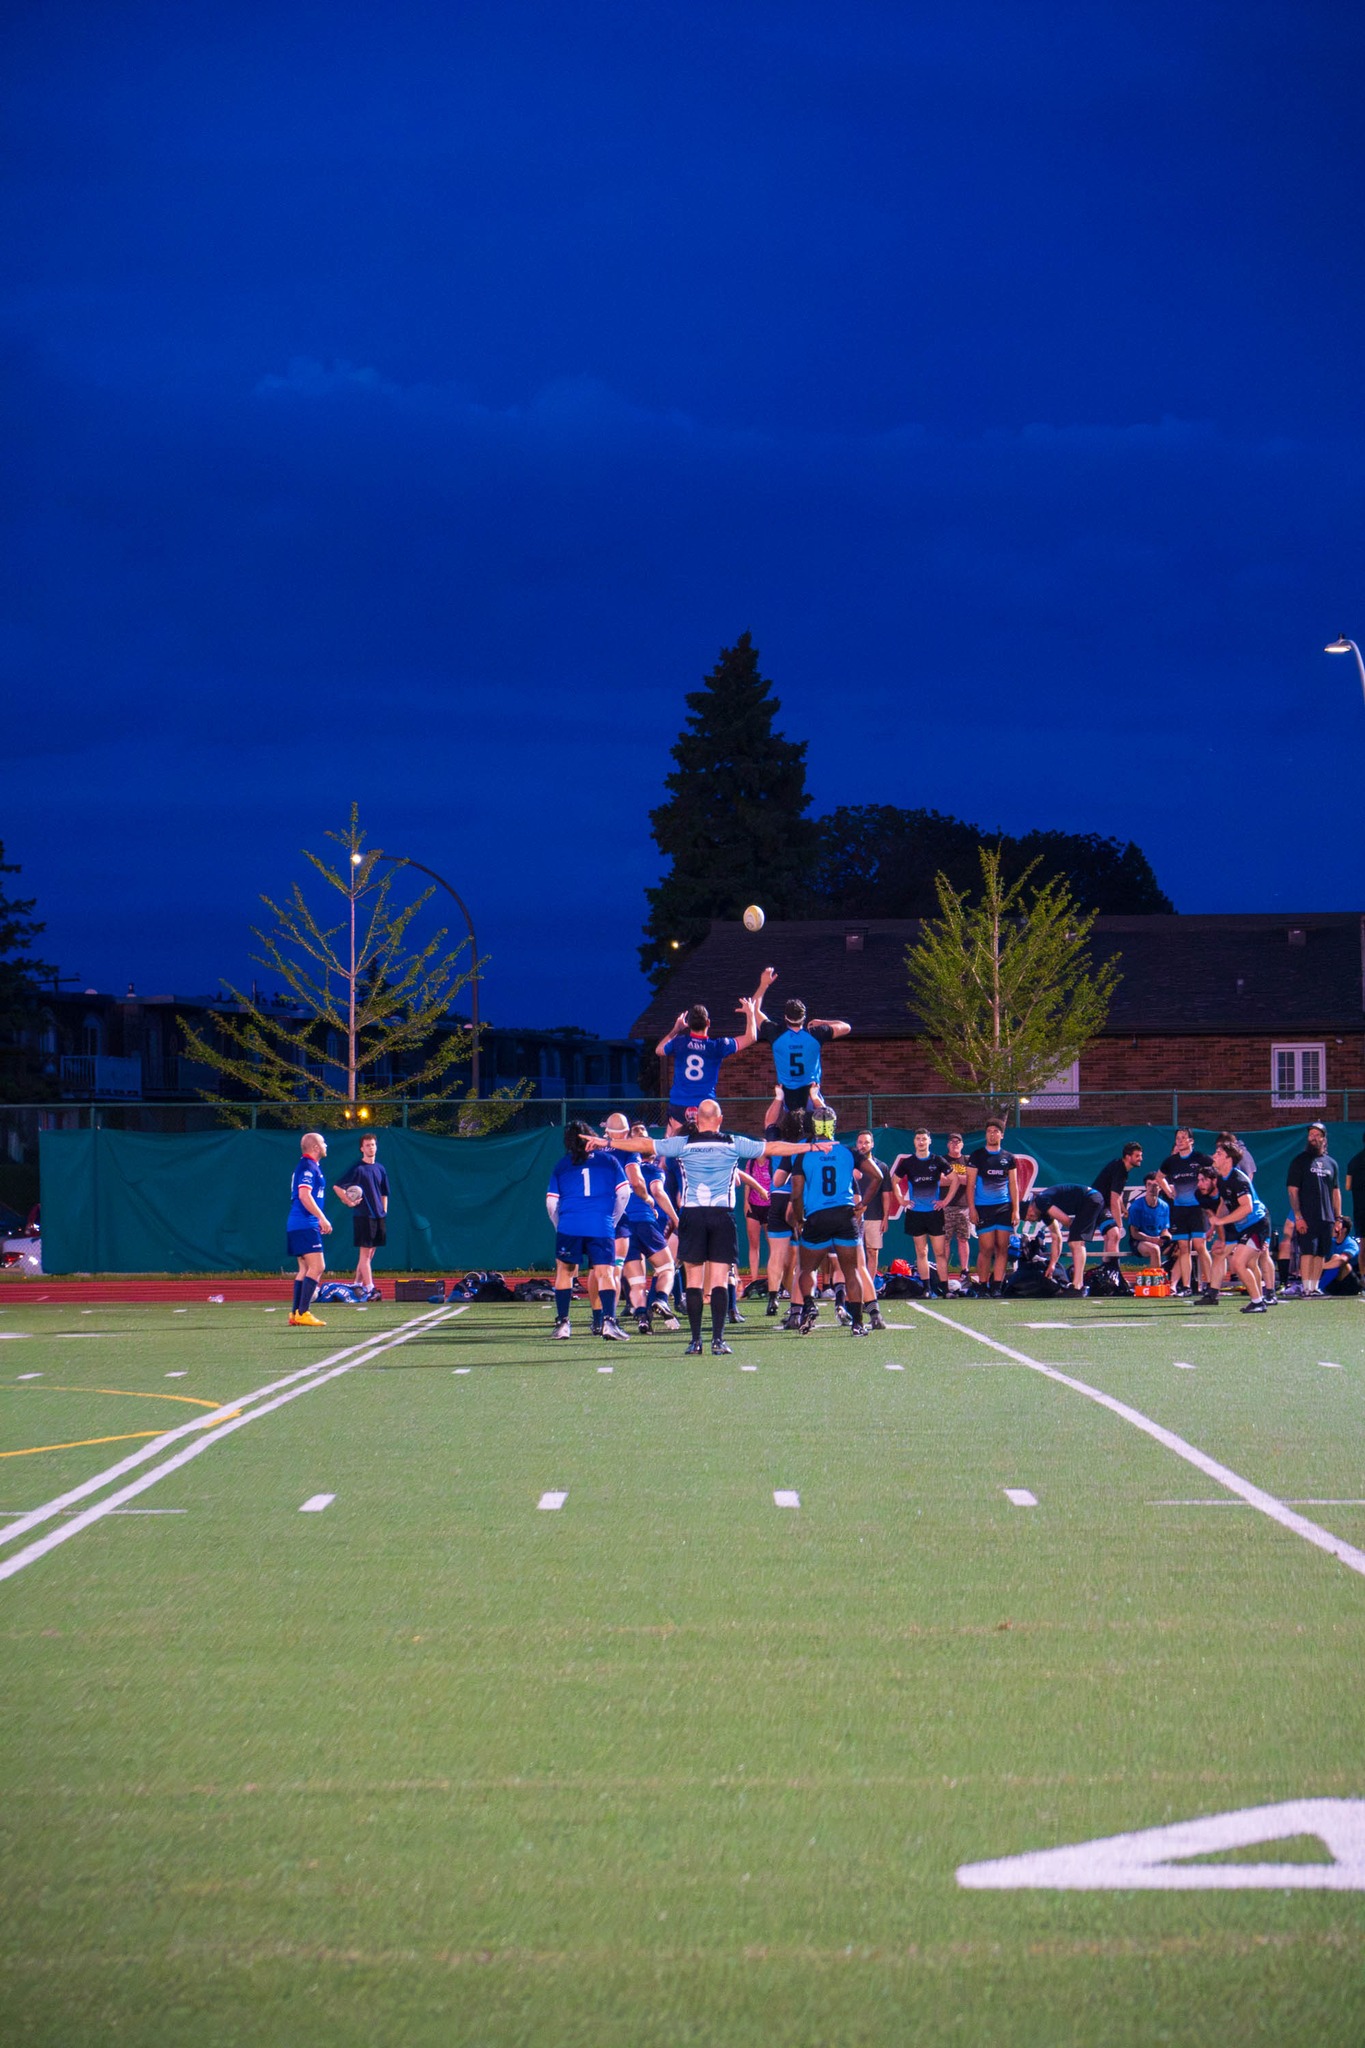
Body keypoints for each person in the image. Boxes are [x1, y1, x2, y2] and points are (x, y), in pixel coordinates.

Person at [591, 1100, 824, 1354]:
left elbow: (645, 1144)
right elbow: (774, 1147)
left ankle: (695, 1341)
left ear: (698, 1121)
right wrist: (812, 1145)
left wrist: (608, 1143)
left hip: (693, 1217)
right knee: (719, 1282)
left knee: (693, 1282)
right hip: (722, 1216)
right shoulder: (733, 1142)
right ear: (720, 1119)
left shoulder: (684, 1143)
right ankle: (718, 1340)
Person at [790, 1108, 880, 1335]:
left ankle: (809, 1305)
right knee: (851, 1271)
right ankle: (858, 1323)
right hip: (844, 1215)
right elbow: (878, 1176)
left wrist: (800, 1219)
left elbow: (796, 1193)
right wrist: (863, 1204)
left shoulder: (804, 1154)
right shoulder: (848, 1152)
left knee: (807, 1268)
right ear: (834, 1125)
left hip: (817, 1217)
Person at [545, 1121, 631, 1341]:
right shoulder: (609, 1161)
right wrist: (612, 1219)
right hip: (600, 1225)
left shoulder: (562, 1165)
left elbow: (551, 1203)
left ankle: (563, 1323)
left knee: (564, 1272)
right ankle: (608, 1323)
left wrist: (559, 1225)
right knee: (605, 1273)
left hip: (570, 1225)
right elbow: (624, 1194)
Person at [656, 984, 765, 1135]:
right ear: (708, 1022)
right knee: (707, 1144)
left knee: (671, 1147)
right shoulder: (716, 1046)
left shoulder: (679, 1042)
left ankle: (663, 1159)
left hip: (679, 1103)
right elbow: (751, 1037)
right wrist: (750, 1013)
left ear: (689, 1024)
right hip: (705, 1106)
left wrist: (676, 1029)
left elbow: (659, 1050)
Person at [755, 973, 851, 1113]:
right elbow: (847, 1027)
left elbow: (754, 1010)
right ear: (804, 1017)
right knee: (822, 1123)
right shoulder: (816, 1034)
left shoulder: (775, 1034)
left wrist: (763, 984)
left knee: (790, 1129)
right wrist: (823, 1022)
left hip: (787, 1092)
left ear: (785, 1017)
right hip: (811, 1090)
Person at [889, 1128, 958, 1297]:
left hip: (934, 1213)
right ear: (914, 1142)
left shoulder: (938, 1160)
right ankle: (926, 1288)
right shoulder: (908, 1162)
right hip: (916, 1214)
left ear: (929, 1141)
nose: (921, 1142)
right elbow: (895, 1181)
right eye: (918, 1139)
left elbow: (955, 1180)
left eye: (924, 1139)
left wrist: (945, 1201)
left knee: (940, 1252)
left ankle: (945, 1289)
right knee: (921, 1252)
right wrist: (901, 1200)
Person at [1209, 1137, 1270, 1313]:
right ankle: (1259, 1300)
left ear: (1228, 1159)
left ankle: (1259, 1301)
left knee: (1238, 1263)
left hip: (1257, 1224)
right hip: (1244, 1227)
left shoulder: (1238, 1179)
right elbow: (1223, 1204)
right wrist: (1214, 1227)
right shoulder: (1221, 1179)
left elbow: (1248, 1207)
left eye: (1218, 1153)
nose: (1214, 1156)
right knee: (1247, 1263)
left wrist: (1220, 1221)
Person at [1157, 1127, 1216, 1300]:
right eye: (1178, 1138)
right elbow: (1160, 1177)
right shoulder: (1171, 1161)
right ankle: (1186, 1286)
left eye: (1184, 1138)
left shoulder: (1200, 1159)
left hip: (1198, 1209)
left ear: (1191, 1141)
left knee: (1200, 1246)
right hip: (1180, 1210)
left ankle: (1211, 1285)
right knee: (1183, 1248)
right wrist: (1168, 1191)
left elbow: (1215, 1173)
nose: (1180, 1141)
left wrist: (1208, 1192)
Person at [1286, 1122, 1343, 1298]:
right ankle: (1305, 1288)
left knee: (1321, 1253)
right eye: (1311, 1134)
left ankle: (1315, 1287)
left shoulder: (1332, 1164)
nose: (1313, 1137)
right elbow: (1292, 1190)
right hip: (1307, 1215)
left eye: (1317, 1134)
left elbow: (1336, 1192)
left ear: (1323, 1139)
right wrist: (1298, 1216)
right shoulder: (1299, 1161)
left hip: (1326, 1217)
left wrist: (1338, 1217)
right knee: (1308, 1251)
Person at [332, 1131, 389, 1300]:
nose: (371, 1148)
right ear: (361, 1148)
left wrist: (384, 1211)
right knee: (365, 1254)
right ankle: (370, 1288)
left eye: (373, 1145)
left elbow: (384, 1193)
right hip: (363, 1216)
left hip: (379, 1216)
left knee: (371, 1254)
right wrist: (348, 1201)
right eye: (367, 1145)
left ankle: (357, 1283)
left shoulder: (380, 1169)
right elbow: (337, 1187)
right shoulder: (357, 1168)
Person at [965, 1120, 1020, 1297]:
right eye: (989, 1131)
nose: (992, 1134)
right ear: (985, 1134)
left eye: (996, 1131)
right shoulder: (977, 1156)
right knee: (986, 1248)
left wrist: (1016, 1210)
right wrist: (972, 1209)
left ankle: (997, 1285)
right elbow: (970, 1184)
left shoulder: (1009, 1158)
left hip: (1004, 1207)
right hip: (983, 1208)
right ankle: (982, 1285)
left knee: (1002, 1248)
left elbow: (1013, 1184)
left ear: (1002, 1135)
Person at [1024, 1183, 1106, 1294]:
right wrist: (1052, 1264)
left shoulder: (1040, 1201)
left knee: (1076, 1243)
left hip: (1091, 1198)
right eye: (1028, 1219)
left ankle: (1078, 1287)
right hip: (1090, 1199)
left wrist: (1077, 1235)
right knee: (1075, 1242)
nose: (1031, 1218)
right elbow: (1056, 1237)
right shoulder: (1042, 1210)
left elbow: (1066, 1220)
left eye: (1028, 1215)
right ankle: (1078, 1285)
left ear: (1030, 1205)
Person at [287, 1131, 333, 1327]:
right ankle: (303, 1312)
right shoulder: (307, 1167)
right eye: (323, 1142)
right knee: (318, 1267)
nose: (326, 1145)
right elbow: (304, 1195)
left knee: (304, 1269)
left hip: (298, 1224)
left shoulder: (308, 1166)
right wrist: (321, 1218)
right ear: (315, 1147)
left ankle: (295, 1314)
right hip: (305, 1223)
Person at [853, 1130, 890, 1295]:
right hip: (852, 1216)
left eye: (866, 1142)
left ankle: (869, 1290)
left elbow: (886, 1194)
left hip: (874, 1215)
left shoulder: (881, 1167)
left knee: (872, 1252)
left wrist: (885, 1217)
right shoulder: (849, 1165)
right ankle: (852, 1289)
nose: (863, 1145)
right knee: (851, 1254)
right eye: (860, 1142)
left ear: (872, 1144)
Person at [1093, 1142, 1143, 1263]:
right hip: (1096, 1205)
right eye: (1137, 1156)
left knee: (1109, 1236)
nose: (1141, 1159)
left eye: (1141, 1155)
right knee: (1115, 1234)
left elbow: (1116, 1193)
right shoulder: (1120, 1170)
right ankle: (1113, 1270)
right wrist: (1119, 1225)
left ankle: (1106, 1270)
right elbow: (1114, 1198)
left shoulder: (1120, 1167)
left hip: (1101, 1205)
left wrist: (1123, 1208)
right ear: (1127, 1156)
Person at [939, 1132, 973, 1291]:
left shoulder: (967, 1160)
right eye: (951, 1142)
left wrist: (953, 1179)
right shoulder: (942, 1160)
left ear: (962, 1144)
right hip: (946, 1206)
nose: (954, 1144)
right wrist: (960, 1178)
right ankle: (943, 1271)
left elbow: (970, 1181)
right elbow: (940, 1181)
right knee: (945, 1240)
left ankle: (964, 1271)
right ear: (948, 1145)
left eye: (957, 1142)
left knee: (963, 1239)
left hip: (964, 1206)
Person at [1126, 1174, 1171, 1267]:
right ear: (1146, 1187)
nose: (1151, 1188)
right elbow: (1134, 1233)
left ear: (1160, 1188)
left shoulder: (1164, 1206)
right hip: (1139, 1242)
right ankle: (1156, 1281)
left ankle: (1174, 1278)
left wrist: (1166, 1237)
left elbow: (1164, 1230)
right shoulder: (1136, 1206)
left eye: (1155, 1185)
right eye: (1149, 1185)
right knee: (1154, 1249)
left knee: (1181, 1248)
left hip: (1157, 1240)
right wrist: (1151, 1239)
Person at [1317, 1227, 1361, 1296]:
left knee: (1336, 1258)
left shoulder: (1351, 1243)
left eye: (1336, 1225)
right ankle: (1312, 1287)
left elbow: (1341, 1260)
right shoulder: (1330, 1242)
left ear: (1344, 1229)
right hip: (1333, 1282)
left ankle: (1319, 1287)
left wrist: (1318, 1267)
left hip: (1350, 1284)